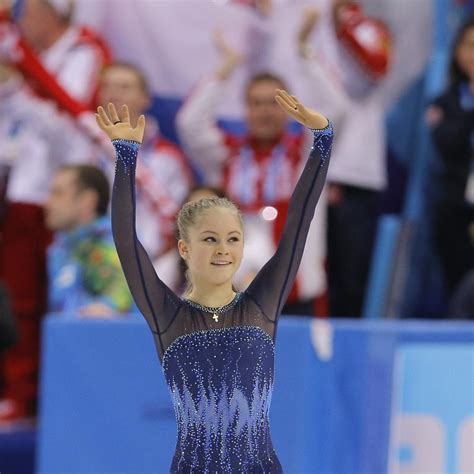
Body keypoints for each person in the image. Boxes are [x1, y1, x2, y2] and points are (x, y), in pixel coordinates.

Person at [95, 89, 332, 471]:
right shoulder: (168, 316)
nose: (223, 249)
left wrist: (322, 140)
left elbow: (299, 220)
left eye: (232, 239)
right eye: (210, 239)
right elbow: (125, 239)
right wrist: (125, 156)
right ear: (185, 249)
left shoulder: (262, 304)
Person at [177, 24, 344, 315]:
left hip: (295, 295)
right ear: (245, 109)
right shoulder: (224, 155)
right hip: (234, 293)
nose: (265, 111)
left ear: (289, 108)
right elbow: (189, 123)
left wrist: (306, 55)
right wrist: (225, 70)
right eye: (256, 103)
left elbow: (336, 110)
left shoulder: (306, 155)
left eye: (274, 103)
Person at [97, 62, 193, 260]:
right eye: (107, 86)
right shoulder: (86, 148)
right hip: (96, 261)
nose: (113, 94)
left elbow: (181, 218)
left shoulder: (168, 157)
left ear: (146, 99)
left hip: (152, 264)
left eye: (124, 87)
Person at [426, 17, 474, 301]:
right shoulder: (444, 102)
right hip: (457, 209)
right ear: (457, 52)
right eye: (469, 45)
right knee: (459, 288)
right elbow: (447, 144)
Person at [45, 164, 132, 316]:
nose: (47, 203)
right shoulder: (60, 248)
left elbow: (123, 291)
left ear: (87, 200)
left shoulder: (111, 244)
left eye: (58, 193)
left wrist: (107, 307)